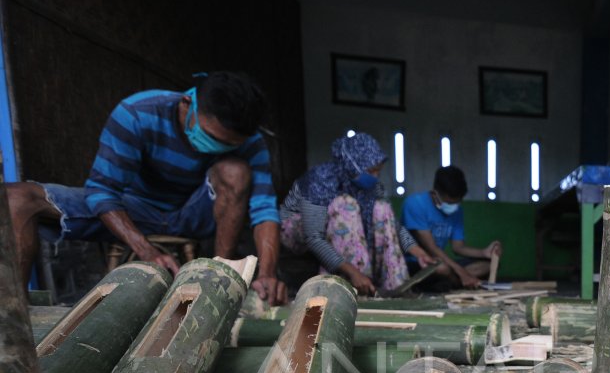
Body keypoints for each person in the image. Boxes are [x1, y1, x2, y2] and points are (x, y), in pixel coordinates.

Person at [4, 71, 287, 304]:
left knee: (235, 171)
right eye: (214, 138)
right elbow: (102, 191)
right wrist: (145, 249)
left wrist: (268, 273)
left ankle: (221, 274)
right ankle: (13, 314)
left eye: (229, 144)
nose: (219, 147)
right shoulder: (138, 113)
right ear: (188, 103)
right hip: (135, 209)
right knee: (15, 198)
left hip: (196, 213)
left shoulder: (252, 141)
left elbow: (264, 210)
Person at [279, 133, 433, 296]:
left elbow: (391, 223)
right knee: (346, 205)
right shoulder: (319, 179)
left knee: (381, 207)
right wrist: (353, 272)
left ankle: (395, 286)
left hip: (336, 230)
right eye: (371, 171)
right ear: (353, 165)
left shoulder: (372, 186)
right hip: (297, 234)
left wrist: (418, 251)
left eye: (378, 171)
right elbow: (313, 237)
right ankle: (345, 287)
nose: (375, 176)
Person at [402, 165, 501, 289]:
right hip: (417, 262)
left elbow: (458, 247)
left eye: (457, 202)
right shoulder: (415, 204)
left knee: (487, 265)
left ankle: (450, 283)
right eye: (449, 203)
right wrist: (461, 272)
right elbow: (432, 248)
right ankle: (456, 282)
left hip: (443, 262)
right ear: (435, 193)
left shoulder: (457, 211)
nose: (453, 207)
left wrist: (484, 252)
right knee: (442, 269)